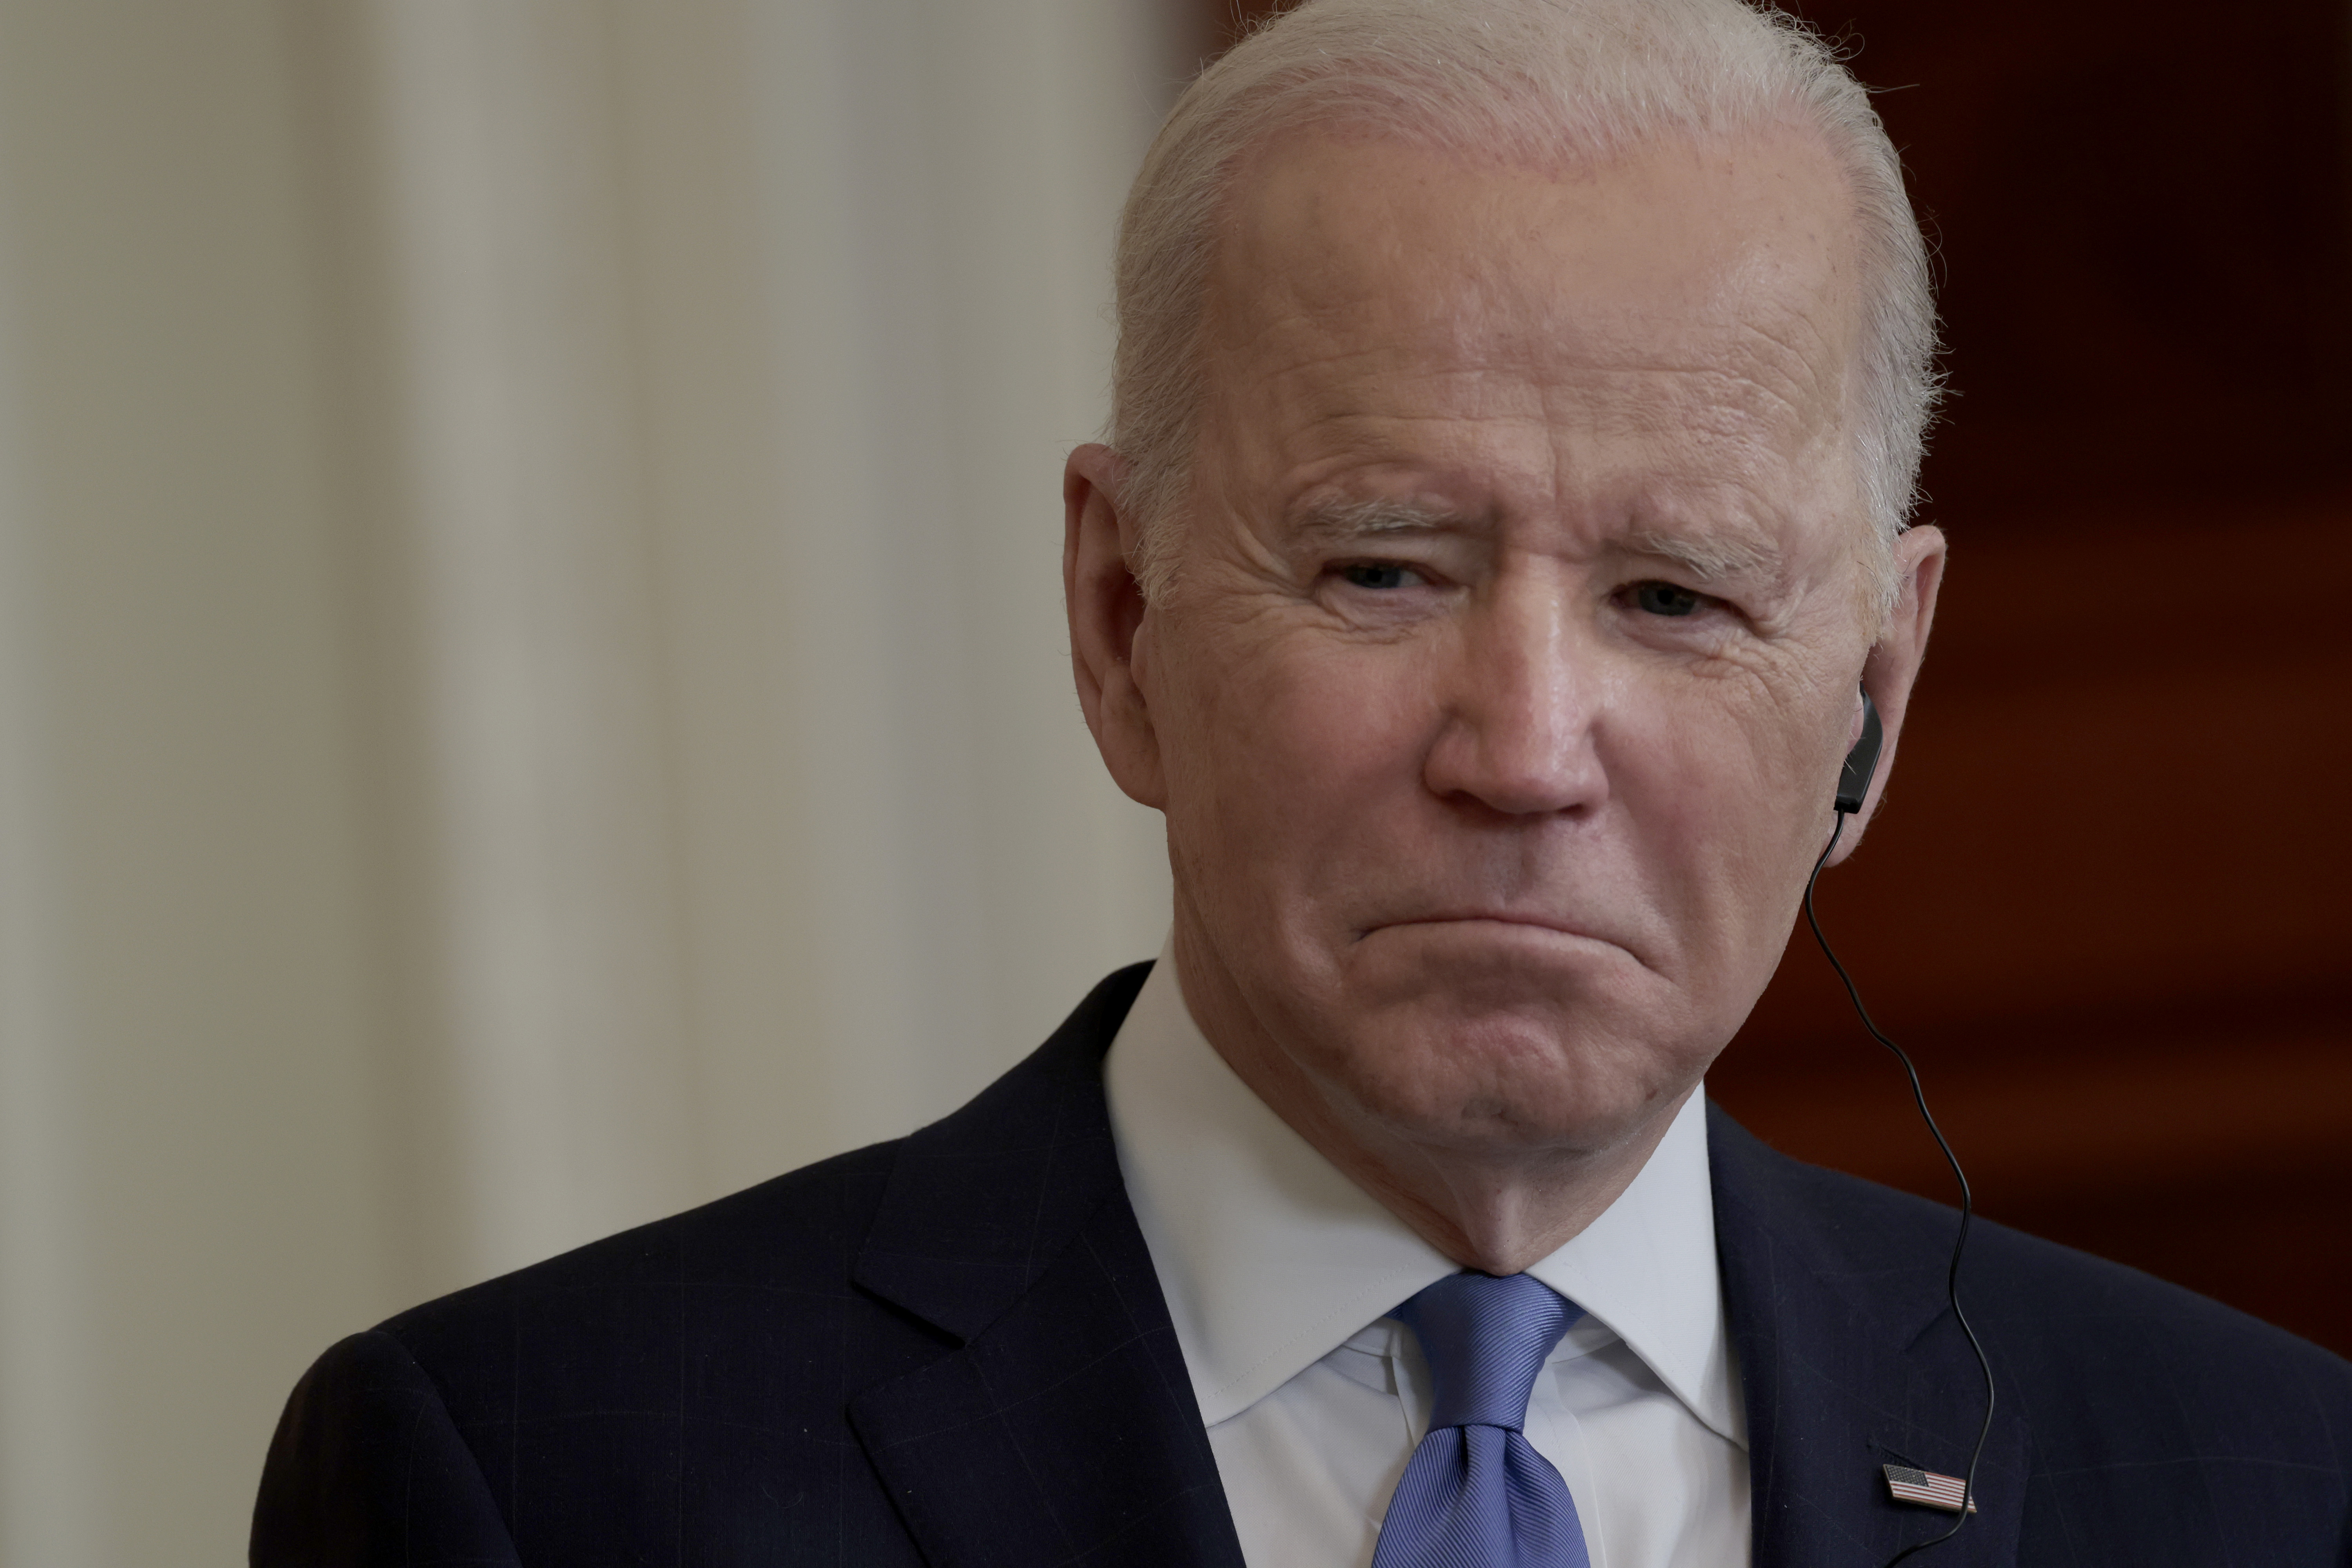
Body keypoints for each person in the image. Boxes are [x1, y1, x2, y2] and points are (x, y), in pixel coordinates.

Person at [251, 0, 2352, 1563]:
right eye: (1381, 566)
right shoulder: (534, 1479)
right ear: (1119, 617)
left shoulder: (2266, 1492)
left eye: (1679, 598)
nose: (1525, 751)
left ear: (1875, 691)